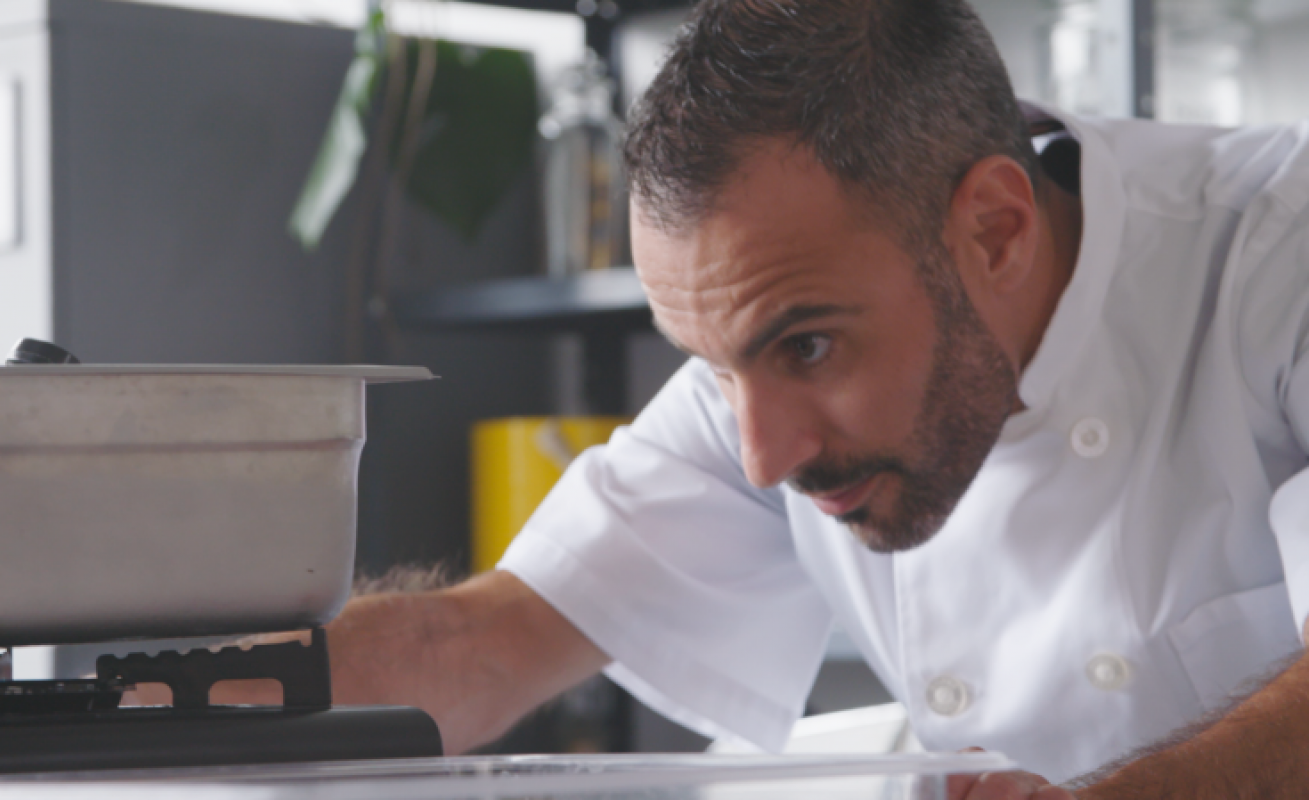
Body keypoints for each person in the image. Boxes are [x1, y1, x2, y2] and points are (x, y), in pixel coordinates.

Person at [292, 0, 1309, 796]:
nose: (763, 456)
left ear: (995, 228)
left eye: (810, 345)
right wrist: (160, 692)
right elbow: (481, 641)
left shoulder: (1277, 252)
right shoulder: (766, 361)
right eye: (714, 364)